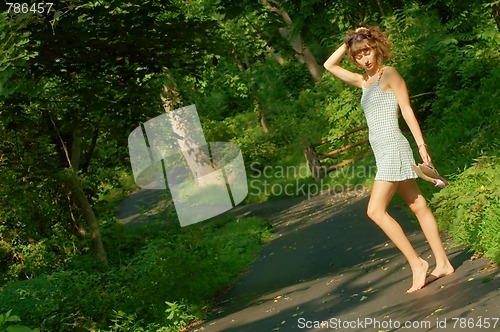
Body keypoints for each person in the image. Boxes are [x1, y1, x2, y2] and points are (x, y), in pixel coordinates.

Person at [323, 26, 454, 293]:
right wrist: (349, 41)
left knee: (374, 210)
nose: (365, 59)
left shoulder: (389, 74)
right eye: (358, 56)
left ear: (377, 48)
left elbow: (406, 109)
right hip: (382, 151)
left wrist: (421, 145)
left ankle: (417, 263)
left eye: (367, 51)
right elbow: (328, 65)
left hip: (394, 147)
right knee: (418, 205)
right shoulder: (363, 82)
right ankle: (443, 263)